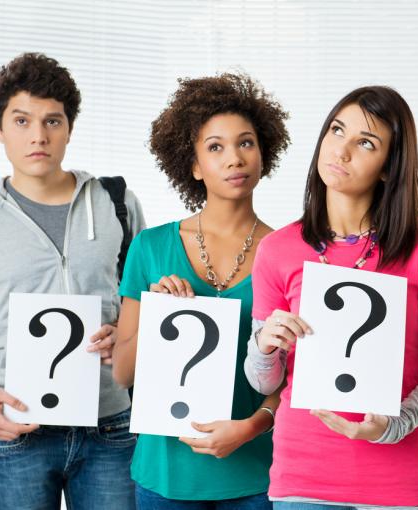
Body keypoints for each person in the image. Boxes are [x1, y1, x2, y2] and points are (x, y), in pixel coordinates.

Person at [0, 52, 145, 509]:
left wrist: (126, 335)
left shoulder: (117, 203)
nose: (38, 136)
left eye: (53, 121)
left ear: (69, 128)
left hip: (111, 427)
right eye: (22, 120)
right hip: (16, 430)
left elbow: (142, 304)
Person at [244, 85, 418, 509]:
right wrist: (264, 346)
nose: (341, 150)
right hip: (303, 476)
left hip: (398, 479)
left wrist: (395, 424)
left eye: (365, 143)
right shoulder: (277, 249)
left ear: (388, 166)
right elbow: (264, 381)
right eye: (336, 130)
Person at [112, 72, 290, 509]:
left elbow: (298, 374)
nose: (234, 158)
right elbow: (122, 373)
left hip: (258, 475)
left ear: (263, 153)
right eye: (215, 147)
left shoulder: (289, 251)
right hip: (165, 477)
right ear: (192, 165)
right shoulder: (150, 247)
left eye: (245, 143)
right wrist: (157, 312)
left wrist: (252, 426)